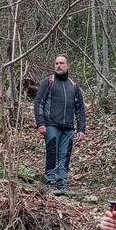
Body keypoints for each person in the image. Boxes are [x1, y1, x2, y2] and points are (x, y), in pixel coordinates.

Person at [34, 55, 86, 193]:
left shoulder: (73, 86)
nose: (59, 65)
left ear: (67, 65)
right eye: (56, 63)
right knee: (52, 151)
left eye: (61, 63)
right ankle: (50, 181)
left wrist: (81, 129)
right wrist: (40, 123)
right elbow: (39, 102)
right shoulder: (48, 82)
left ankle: (62, 181)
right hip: (51, 124)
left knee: (65, 154)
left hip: (68, 127)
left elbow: (80, 108)